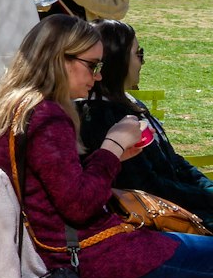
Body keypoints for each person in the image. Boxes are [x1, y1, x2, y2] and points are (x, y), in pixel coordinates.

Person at [0, 14, 213, 278]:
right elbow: (81, 204)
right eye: (91, 66)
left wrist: (110, 157)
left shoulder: (8, 108)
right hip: (83, 254)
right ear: (58, 58)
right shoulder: (46, 115)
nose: (98, 76)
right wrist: (113, 145)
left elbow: (58, 190)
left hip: (49, 251)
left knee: (200, 277)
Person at [81, 20, 213, 224]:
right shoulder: (103, 117)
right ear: (118, 61)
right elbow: (147, 186)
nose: (142, 61)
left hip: (181, 205)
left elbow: (173, 161)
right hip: (159, 218)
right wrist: (206, 197)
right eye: (138, 53)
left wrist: (207, 188)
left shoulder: (130, 102)